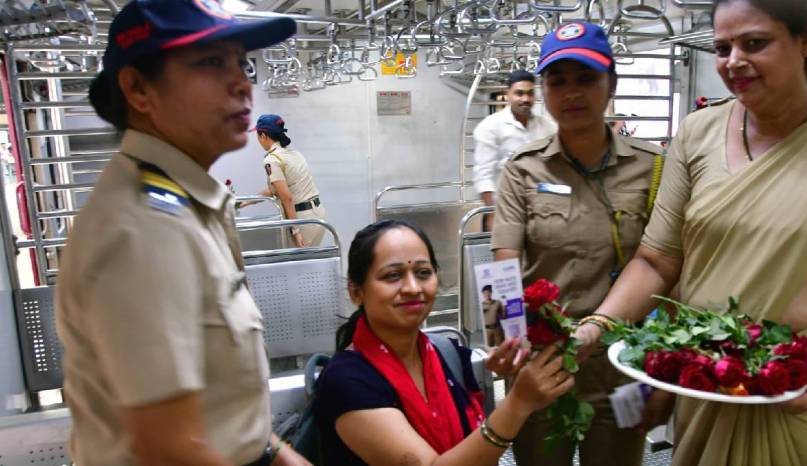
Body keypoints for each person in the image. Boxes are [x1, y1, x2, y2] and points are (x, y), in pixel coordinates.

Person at [574, 1, 807, 465]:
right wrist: (596, 326)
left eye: (755, 43)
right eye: (722, 47)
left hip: (804, 385)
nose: (734, 61)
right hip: (709, 377)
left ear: (806, 41)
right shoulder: (698, 132)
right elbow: (657, 259)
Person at [55, 2, 310, 465]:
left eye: (241, 63)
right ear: (138, 88)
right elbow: (169, 449)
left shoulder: (189, 204)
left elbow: (225, 416)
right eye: (211, 62)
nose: (242, 83)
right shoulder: (142, 229)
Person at [491, 22, 664, 466]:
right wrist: (509, 344)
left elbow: (668, 268)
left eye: (586, 78)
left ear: (611, 85)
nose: (572, 92)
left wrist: (660, 375)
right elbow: (505, 267)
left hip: (625, 367)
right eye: (558, 81)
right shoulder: (523, 171)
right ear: (545, 90)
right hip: (543, 364)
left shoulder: (653, 169)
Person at [313, 220, 576, 466]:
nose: (413, 287)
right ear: (356, 292)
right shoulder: (347, 382)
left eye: (423, 272)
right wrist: (518, 403)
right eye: (393, 276)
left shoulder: (446, 352)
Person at [473, 69, 557, 230]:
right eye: (519, 93)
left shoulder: (547, 127)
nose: (525, 99)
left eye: (530, 93)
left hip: (540, 213)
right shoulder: (490, 127)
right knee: (509, 255)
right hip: (504, 212)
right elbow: (484, 176)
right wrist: (492, 214)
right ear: (508, 94)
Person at [251, 114, 326, 247]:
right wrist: (247, 201)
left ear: (263, 136)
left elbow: (287, 198)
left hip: (302, 220)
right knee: (310, 263)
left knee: (298, 266)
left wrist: (295, 231)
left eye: (257, 135)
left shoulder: (272, 159)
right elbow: (277, 189)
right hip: (317, 215)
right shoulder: (293, 154)